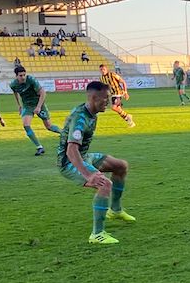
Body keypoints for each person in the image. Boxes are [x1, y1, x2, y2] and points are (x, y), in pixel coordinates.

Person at [58, 81, 135, 244]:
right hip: (70, 162)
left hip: (84, 156)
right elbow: (71, 151)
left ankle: (114, 210)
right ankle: (97, 234)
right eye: (105, 98)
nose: (108, 101)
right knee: (104, 183)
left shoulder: (89, 112)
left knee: (121, 166)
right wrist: (89, 174)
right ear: (93, 97)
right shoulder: (80, 117)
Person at [10, 65, 62, 156]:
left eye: (24, 75)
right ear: (16, 76)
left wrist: (38, 107)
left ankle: (65, 134)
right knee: (26, 125)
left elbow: (43, 93)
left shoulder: (31, 80)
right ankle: (39, 147)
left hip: (39, 103)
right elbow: (15, 93)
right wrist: (19, 105)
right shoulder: (13, 84)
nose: (23, 77)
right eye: (20, 75)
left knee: (49, 126)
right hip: (28, 106)